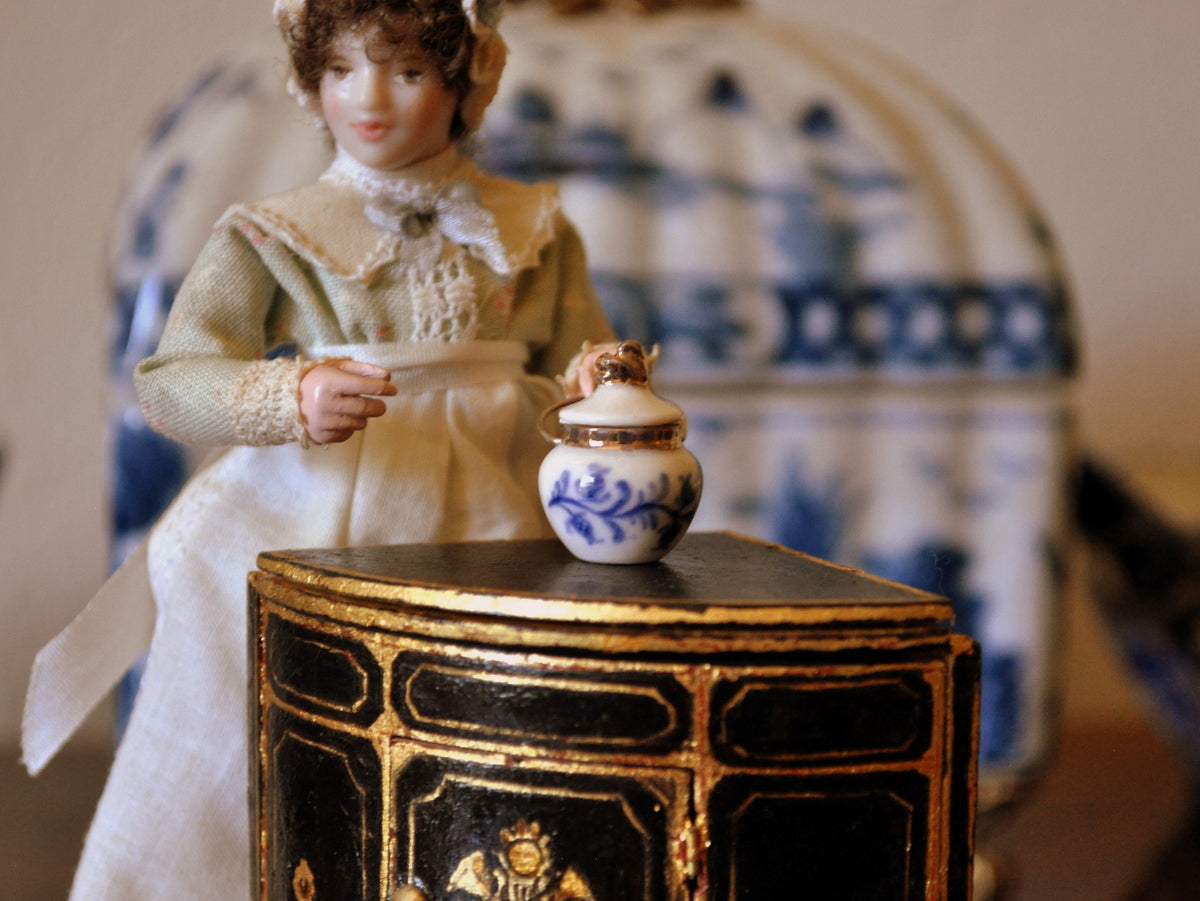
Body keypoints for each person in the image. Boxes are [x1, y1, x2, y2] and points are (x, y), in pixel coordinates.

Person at [21, 0, 615, 896]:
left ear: (465, 85)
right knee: (251, 678)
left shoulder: (531, 227)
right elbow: (173, 377)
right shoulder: (278, 230)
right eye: (341, 72)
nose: (368, 99)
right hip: (326, 499)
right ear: (313, 83)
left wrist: (595, 383)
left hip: (502, 499)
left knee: (508, 693)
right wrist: (287, 394)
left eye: (407, 72)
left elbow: (579, 351)